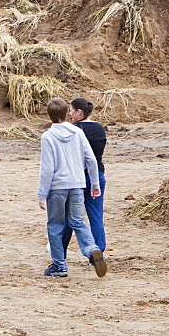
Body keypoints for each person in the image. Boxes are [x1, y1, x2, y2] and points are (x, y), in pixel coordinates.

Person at [37, 97, 107, 279]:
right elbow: (91, 160)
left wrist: (41, 193)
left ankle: (60, 265)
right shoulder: (78, 133)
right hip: (77, 184)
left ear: (49, 114)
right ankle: (92, 249)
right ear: (66, 112)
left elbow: (47, 168)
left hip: (57, 187)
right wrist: (95, 184)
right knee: (78, 222)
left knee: (56, 225)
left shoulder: (48, 137)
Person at [61, 97, 107, 256]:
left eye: (71, 111)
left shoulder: (73, 130)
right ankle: (98, 250)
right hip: (97, 176)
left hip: (77, 178)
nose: (70, 114)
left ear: (79, 112)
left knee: (69, 217)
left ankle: (61, 251)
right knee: (96, 216)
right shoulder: (100, 129)